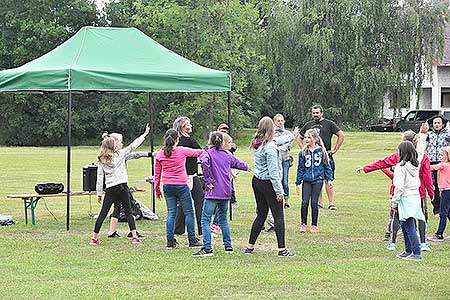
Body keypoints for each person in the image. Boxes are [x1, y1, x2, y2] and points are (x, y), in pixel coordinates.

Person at [356, 130, 434, 251]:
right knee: (421, 217)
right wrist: (431, 192)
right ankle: (423, 243)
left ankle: (393, 242)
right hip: (418, 193)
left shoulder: (399, 158)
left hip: (400, 193)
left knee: (398, 217)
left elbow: (383, 163)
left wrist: (366, 168)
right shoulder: (422, 157)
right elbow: (427, 176)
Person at [89, 124, 150, 245]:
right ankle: (134, 236)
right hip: (122, 186)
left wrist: (99, 193)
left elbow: (100, 178)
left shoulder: (101, 159)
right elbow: (133, 145)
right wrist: (144, 135)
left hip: (110, 188)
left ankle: (94, 238)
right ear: (113, 146)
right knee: (128, 211)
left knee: (103, 213)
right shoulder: (121, 154)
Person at [245, 116, 295, 257]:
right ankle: (282, 249)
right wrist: (280, 192)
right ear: (272, 128)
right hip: (268, 184)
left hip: (257, 181)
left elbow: (280, 140)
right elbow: (274, 172)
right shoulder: (271, 148)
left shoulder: (258, 143)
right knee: (278, 216)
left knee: (261, 214)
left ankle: (250, 247)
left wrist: (292, 135)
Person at [194, 131, 249, 256]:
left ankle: (207, 247)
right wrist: (246, 166)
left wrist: (208, 180)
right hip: (225, 191)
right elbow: (237, 163)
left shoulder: (207, 153)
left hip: (213, 191)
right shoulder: (227, 155)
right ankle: (228, 245)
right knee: (223, 219)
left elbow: (203, 162)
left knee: (205, 219)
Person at [154, 129, 203, 249]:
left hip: (167, 186)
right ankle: (192, 240)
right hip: (181, 185)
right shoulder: (181, 151)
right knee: (189, 212)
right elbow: (199, 152)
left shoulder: (160, 154)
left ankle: (170, 241)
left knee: (171, 213)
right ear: (177, 140)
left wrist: (157, 189)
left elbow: (157, 174)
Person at [390, 123, 428, 260]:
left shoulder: (400, 167)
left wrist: (394, 201)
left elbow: (399, 187)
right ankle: (408, 250)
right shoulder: (416, 161)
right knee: (405, 223)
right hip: (415, 196)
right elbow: (421, 148)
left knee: (408, 224)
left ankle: (416, 252)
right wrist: (422, 134)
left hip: (404, 197)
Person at [298, 104, 344, 210]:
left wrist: (335, 150)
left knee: (329, 179)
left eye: (317, 113)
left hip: (326, 156)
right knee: (316, 180)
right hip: (312, 157)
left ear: (321, 113)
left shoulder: (329, 124)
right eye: (313, 113)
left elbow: (341, 135)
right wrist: (304, 150)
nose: (315, 115)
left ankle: (331, 203)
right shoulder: (308, 125)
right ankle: (320, 203)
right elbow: (299, 138)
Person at [105, 133, 151, 239]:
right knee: (130, 207)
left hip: (113, 185)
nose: (122, 143)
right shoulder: (120, 154)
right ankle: (133, 233)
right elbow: (135, 152)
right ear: (115, 143)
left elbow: (136, 154)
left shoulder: (109, 155)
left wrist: (149, 154)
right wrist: (150, 152)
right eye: (121, 141)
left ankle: (111, 232)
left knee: (117, 208)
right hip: (119, 186)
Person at [295, 128, 333, 233]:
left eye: (309, 137)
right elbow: (300, 168)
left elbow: (327, 166)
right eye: (305, 137)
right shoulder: (302, 152)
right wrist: (298, 182)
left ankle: (314, 225)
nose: (306, 139)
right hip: (306, 180)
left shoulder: (322, 151)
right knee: (304, 202)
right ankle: (303, 224)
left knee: (314, 203)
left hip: (318, 180)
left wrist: (329, 179)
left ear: (315, 139)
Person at [173, 117, 205, 236]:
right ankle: (202, 229)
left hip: (179, 175)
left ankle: (179, 228)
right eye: (188, 124)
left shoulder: (175, 142)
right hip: (191, 174)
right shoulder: (190, 141)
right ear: (182, 128)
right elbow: (201, 153)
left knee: (182, 201)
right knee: (199, 200)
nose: (190, 126)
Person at [426, 116, 450, 217]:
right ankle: (436, 209)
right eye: (435, 123)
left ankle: (444, 208)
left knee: (443, 185)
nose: (437, 124)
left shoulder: (446, 134)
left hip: (443, 163)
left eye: (439, 123)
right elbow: (420, 139)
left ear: (442, 124)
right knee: (433, 186)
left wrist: (448, 128)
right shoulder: (429, 134)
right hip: (431, 162)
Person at [427, 146, 450, 242]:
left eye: (442, 155)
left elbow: (432, 167)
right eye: (439, 155)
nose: (440, 157)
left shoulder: (444, 165)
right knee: (448, 213)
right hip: (445, 191)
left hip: (446, 191)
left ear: (448, 156)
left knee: (443, 213)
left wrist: (422, 165)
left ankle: (439, 234)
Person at [274, 114, 295, 209]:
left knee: (285, 181)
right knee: (276, 179)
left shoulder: (287, 133)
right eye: (278, 121)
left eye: (281, 120)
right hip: (274, 160)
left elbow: (289, 145)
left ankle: (286, 200)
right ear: (274, 122)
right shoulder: (271, 133)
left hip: (284, 160)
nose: (280, 122)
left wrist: (279, 147)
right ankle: (277, 198)